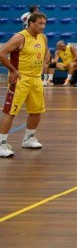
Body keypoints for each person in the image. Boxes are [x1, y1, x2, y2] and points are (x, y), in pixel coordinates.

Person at [0, 12, 50, 158]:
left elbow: (46, 52)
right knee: (10, 111)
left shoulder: (43, 37)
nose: (43, 26)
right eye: (40, 23)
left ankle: (29, 138)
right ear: (31, 23)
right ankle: (2, 143)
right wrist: (13, 70)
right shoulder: (20, 37)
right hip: (21, 79)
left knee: (36, 110)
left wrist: (43, 65)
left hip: (36, 79)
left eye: (44, 24)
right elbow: (2, 53)